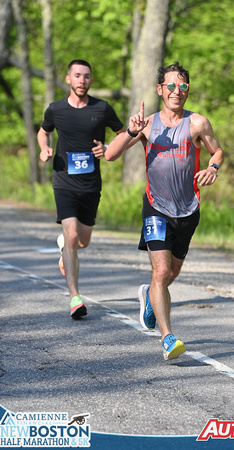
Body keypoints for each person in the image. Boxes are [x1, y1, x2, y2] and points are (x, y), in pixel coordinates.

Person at [105, 61, 224, 360]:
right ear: (160, 90)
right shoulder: (146, 124)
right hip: (155, 206)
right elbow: (110, 154)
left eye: (183, 86)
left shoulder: (198, 123)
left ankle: (148, 296)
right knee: (160, 270)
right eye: (171, 86)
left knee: (172, 272)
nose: (177, 91)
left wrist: (213, 167)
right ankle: (168, 337)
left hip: (187, 208)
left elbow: (217, 150)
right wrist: (130, 131)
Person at [37, 59, 125, 319]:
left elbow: (122, 134)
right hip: (63, 180)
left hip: (90, 184)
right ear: (68, 79)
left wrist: (107, 148)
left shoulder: (102, 108)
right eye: (77, 76)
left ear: (91, 81)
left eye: (86, 76)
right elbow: (43, 132)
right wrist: (44, 148)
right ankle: (75, 298)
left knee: (81, 240)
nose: (82, 81)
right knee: (73, 234)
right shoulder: (55, 110)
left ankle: (66, 249)